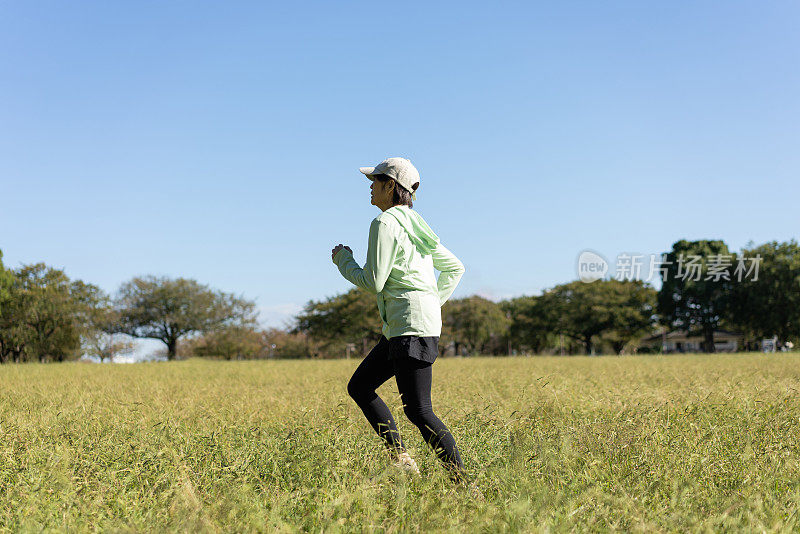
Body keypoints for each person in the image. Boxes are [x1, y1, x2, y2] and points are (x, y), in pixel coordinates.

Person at [331, 156, 468, 484]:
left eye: (375, 180)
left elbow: (373, 281)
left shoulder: (385, 223)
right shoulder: (416, 223)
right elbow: (455, 268)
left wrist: (343, 260)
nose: (370, 186)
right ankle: (402, 458)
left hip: (409, 327)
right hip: (405, 326)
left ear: (391, 186)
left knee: (419, 411)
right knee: (360, 386)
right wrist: (432, 303)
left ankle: (466, 485)